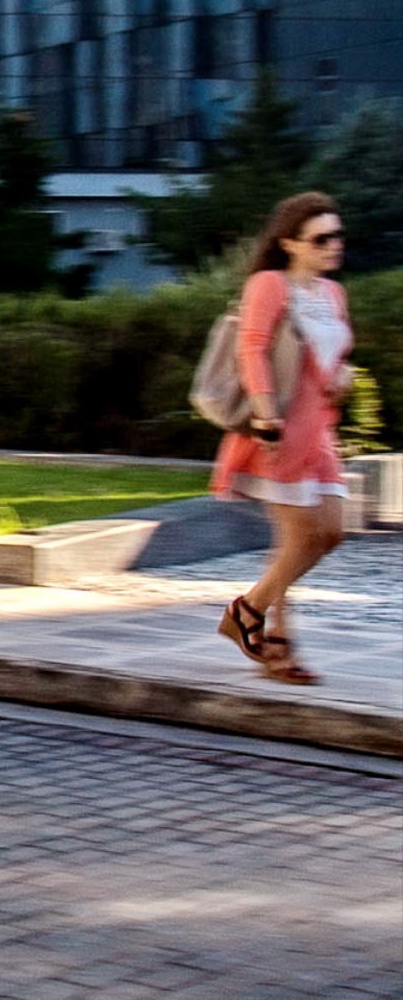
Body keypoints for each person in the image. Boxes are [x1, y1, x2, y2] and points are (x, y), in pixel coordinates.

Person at [211, 191, 355, 685]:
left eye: (337, 236)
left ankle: (247, 612)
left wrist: (342, 376)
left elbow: (329, 356)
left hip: (321, 432)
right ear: (290, 243)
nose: (333, 245)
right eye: (321, 238)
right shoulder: (270, 285)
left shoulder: (332, 294)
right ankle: (277, 645)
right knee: (298, 539)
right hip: (281, 430)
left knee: (330, 531)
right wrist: (267, 418)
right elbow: (251, 350)